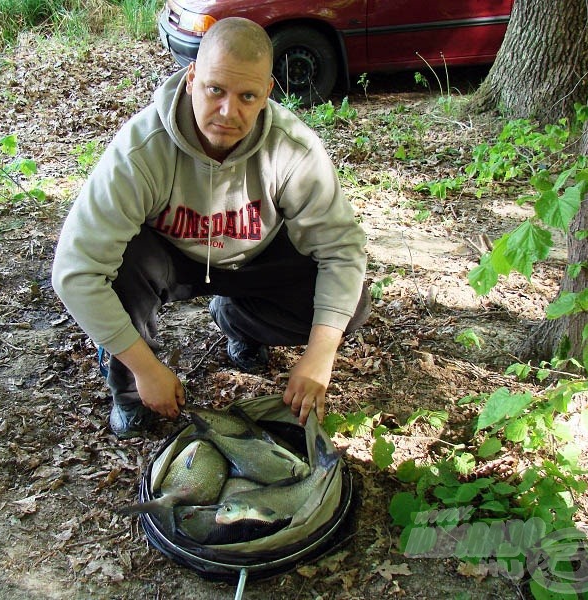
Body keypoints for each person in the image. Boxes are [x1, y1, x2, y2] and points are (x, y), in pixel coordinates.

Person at [52, 17, 370, 439]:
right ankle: (130, 389)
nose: (228, 112)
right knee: (116, 270)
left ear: (267, 94)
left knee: (353, 304)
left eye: (247, 96)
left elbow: (342, 252)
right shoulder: (140, 151)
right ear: (191, 78)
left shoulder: (293, 149)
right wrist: (146, 369)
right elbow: (74, 272)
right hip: (171, 260)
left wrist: (319, 357)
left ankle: (238, 320)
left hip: (257, 259)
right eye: (215, 90)